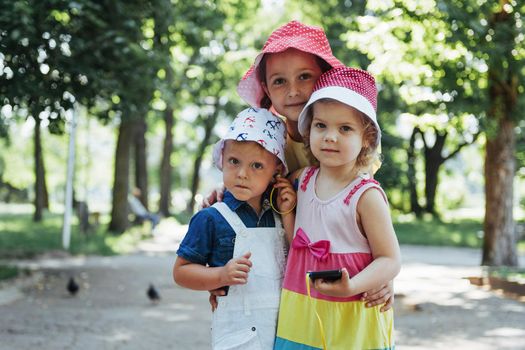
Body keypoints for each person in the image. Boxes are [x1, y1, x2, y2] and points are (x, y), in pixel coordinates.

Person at [208, 20, 394, 310]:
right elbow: (248, 174)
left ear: (324, 79)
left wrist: (382, 278)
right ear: (267, 91)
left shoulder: (348, 143)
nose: (293, 91)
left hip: (339, 266)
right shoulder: (265, 140)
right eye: (279, 81)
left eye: (304, 77)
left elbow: (369, 223)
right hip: (281, 261)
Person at [274, 66, 401, 349]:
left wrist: (353, 286)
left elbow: (390, 260)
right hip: (303, 314)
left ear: (367, 137)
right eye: (321, 126)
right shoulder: (302, 181)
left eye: (345, 128)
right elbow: (300, 245)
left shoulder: (365, 195)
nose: (330, 136)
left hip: (351, 317)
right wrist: (287, 212)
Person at [173, 107, 296, 349]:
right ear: (222, 161)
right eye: (234, 161)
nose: (242, 174)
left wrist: (289, 212)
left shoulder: (281, 214)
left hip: (283, 334)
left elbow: (298, 255)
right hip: (237, 337)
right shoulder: (211, 218)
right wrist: (219, 276)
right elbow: (181, 273)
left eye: (257, 166)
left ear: (276, 172)